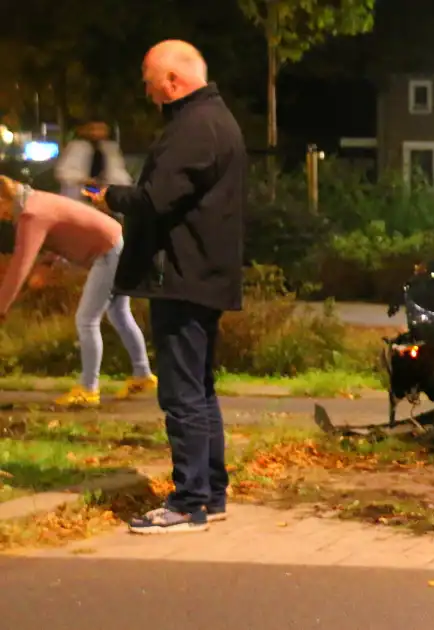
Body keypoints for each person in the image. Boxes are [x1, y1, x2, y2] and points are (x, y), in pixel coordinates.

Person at [86, 40, 246, 534]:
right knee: (200, 391)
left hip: (182, 276)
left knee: (181, 394)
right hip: (203, 274)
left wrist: (110, 197)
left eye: (150, 81)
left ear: (173, 81)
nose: (147, 91)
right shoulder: (215, 120)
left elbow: (157, 199)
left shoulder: (193, 128)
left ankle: (188, 502)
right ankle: (210, 494)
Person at [0, 175, 155, 408]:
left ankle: (88, 389)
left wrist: (2, 307)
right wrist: (48, 264)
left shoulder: (31, 215)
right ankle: (143, 375)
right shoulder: (36, 201)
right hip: (115, 242)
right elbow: (65, 229)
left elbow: (20, 264)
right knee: (119, 314)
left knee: (86, 320)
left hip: (108, 251)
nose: (1, 218)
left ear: (4, 199)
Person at [55, 121, 133, 200]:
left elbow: (119, 172)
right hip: (79, 194)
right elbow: (63, 172)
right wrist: (85, 180)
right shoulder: (75, 147)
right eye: (93, 129)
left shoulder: (111, 148)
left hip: (104, 194)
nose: (97, 133)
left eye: (101, 129)